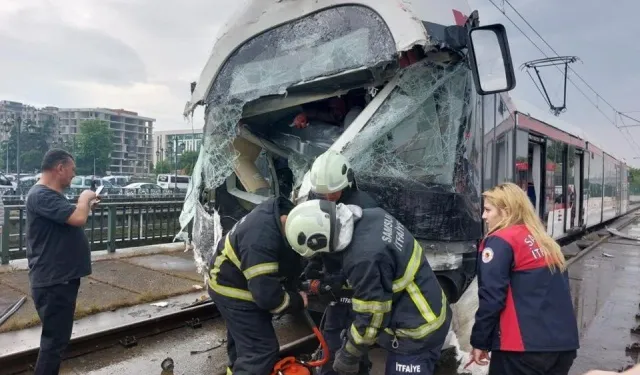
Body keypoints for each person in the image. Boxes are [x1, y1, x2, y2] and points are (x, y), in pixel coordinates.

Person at [285, 200, 451, 375]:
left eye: (318, 252)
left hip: (417, 333)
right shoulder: (373, 216)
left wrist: (349, 355)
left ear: (320, 240)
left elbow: (372, 316)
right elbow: (381, 274)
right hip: (434, 308)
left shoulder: (364, 259)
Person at [470, 182, 579, 375]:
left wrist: (480, 341)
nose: (484, 216)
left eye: (488, 210)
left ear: (507, 211)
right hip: (563, 348)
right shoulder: (544, 240)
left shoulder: (500, 241)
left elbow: (492, 297)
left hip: (522, 351)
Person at [207, 196, 308, 375]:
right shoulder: (261, 239)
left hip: (235, 281)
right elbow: (267, 297)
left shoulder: (279, 217)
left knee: (243, 344)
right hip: (232, 288)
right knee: (261, 351)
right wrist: (296, 301)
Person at [303, 150, 378, 375]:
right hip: (333, 280)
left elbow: (369, 258)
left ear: (346, 183)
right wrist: (313, 267)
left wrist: (340, 280)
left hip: (357, 282)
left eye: (332, 193)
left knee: (357, 343)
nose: (327, 198)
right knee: (333, 338)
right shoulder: (315, 198)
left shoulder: (366, 207)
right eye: (322, 193)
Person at [26, 149, 100, 375]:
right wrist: (85, 198)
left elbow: (73, 217)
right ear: (60, 168)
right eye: (72, 170)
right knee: (53, 343)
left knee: (56, 341)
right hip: (53, 281)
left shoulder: (49, 196)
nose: (73, 175)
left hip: (60, 279)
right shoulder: (41, 195)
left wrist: (86, 206)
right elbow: (78, 218)